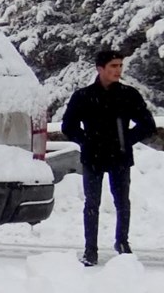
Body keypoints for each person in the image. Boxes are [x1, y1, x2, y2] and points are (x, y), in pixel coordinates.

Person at [61, 49, 158, 266]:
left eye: (120, 66)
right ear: (100, 69)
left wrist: (125, 140)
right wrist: (86, 140)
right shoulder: (83, 96)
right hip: (92, 157)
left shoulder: (128, 95)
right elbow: (68, 125)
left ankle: (122, 242)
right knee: (91, 203)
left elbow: (147, 124)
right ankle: (90, 250)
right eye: (113, 66)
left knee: (122, 201)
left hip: (120, 157)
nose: (118, 70)